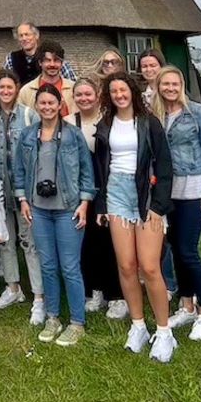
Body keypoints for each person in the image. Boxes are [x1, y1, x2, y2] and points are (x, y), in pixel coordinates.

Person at [94, 73, 175, 362]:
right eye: (113, 90)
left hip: (145, 195)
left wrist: (159, 206)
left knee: (150, 266)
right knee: (127, 265)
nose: (119, 94)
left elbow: (165, 166)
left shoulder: (149, 122)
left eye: (123, 89)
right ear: (109, 95)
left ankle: (164, 332)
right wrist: (102, 204)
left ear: (132, 91)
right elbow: (101, 168)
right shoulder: (105, 124)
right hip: (116, 193)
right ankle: (138, 325)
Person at [14, 85, 95, 347]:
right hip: (38, 209)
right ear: (36, 106)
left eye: (52, 103)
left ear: (60, 104)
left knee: (70, 267)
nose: (47, 107)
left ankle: (77, 322)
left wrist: (84, 203)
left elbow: (86, 171)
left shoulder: (73, 135)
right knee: (48, 265)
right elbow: (18, 170)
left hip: (67, 208)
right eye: (42, 103)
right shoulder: (28, 135)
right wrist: (23, 199)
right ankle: (52, 317)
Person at [154, 66, 201, 341]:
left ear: (181, 85)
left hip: (194, 188)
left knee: (188, 250)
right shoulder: (158, 114)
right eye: (165, 84)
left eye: (174, 83)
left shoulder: (197, 113)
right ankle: (187, 305)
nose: (170, 88)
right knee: (175, 248)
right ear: (159, 87)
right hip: (169, 191)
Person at [0, 70, 45, 325]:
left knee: (30, 241)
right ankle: (13, 287)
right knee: (5, 239)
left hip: (24, 190)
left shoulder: (28, 115)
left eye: (10, 87)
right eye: (2, 88)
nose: (6, 91)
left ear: (16, 88)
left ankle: (38, 296)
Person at [69, 78, 126, 320]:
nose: (84, 98)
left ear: (97, 95)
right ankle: (96, 290)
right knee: (87, 243)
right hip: (82, 190)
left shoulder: (109, 119)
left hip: (107, 187)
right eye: (79, 94)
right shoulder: (69, 122)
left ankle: (117, 295)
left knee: (109, 242)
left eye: (88, 94)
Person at [4, 22, 77, 83]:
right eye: (21, 36)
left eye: (27, 34)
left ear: (36, 36)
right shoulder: (11, 58)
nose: (24, 38)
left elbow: (71, 82)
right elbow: (5, 81)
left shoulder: (50, 57)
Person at [18, 41, 76, 116]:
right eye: (48, 60)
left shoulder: (73, 89)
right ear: (40, 62)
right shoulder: (26, 92)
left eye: (56, 60)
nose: (52, 64)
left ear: (62, 63)